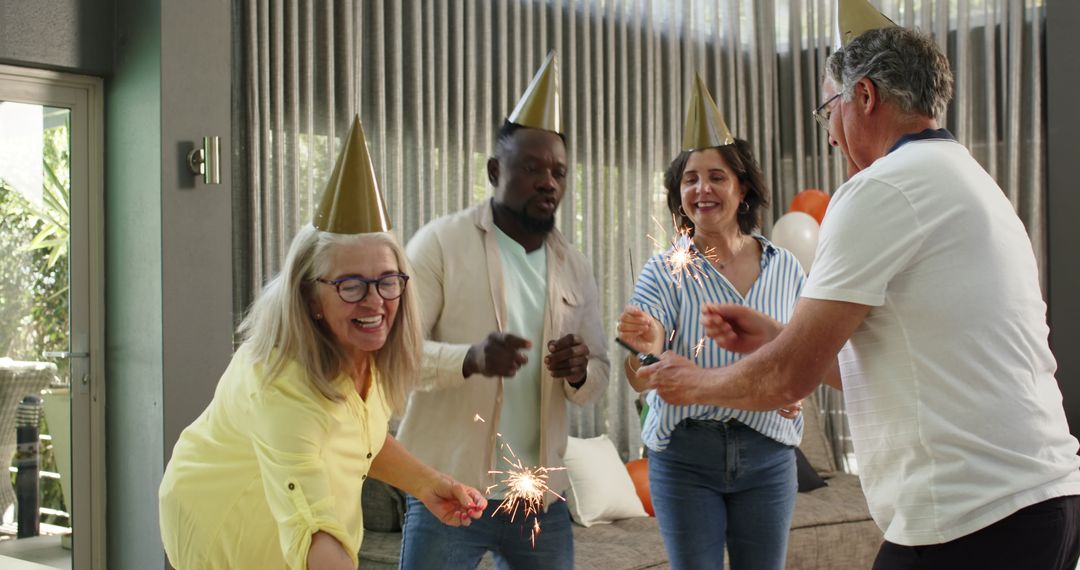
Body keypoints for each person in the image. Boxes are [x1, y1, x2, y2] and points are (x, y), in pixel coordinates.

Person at [638, 19, 1080, 570]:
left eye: (828, 112)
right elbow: (891, 367)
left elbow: (788, 379)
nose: (829, 135)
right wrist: (776, 337)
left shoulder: (880, 187)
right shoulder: (970, 179)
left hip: (968, 515)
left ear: (864, 96)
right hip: (1043, 501)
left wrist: (693, 383)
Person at [158, 116, 486, 570]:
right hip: (222, 531)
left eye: (387, 281)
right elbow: (312, 524)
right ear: (311, 296)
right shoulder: (280, 384)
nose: (375, 301)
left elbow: (361, 438)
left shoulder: (362, 356)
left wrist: (427, 484)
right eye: (351, 284)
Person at [396, 51, 610, 570]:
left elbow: (599, 377)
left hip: (539, 499)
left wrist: (581, 372)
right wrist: (469, 358)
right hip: (446, 490)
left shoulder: (574, 266)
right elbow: (393, 359)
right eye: (533, 167)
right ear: (495, 170)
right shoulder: (440, 244)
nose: (549, 182)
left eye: (559, 172)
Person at [616, 75, 807, 570]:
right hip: (685, 458)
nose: (701, 189)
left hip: (768, 455)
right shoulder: (663, 269)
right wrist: (648, 348)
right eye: (689, 178)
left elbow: (810, 349)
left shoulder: (787, 267)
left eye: (716, 176)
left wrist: (799, 385)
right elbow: (640, 369)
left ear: (742, 187)